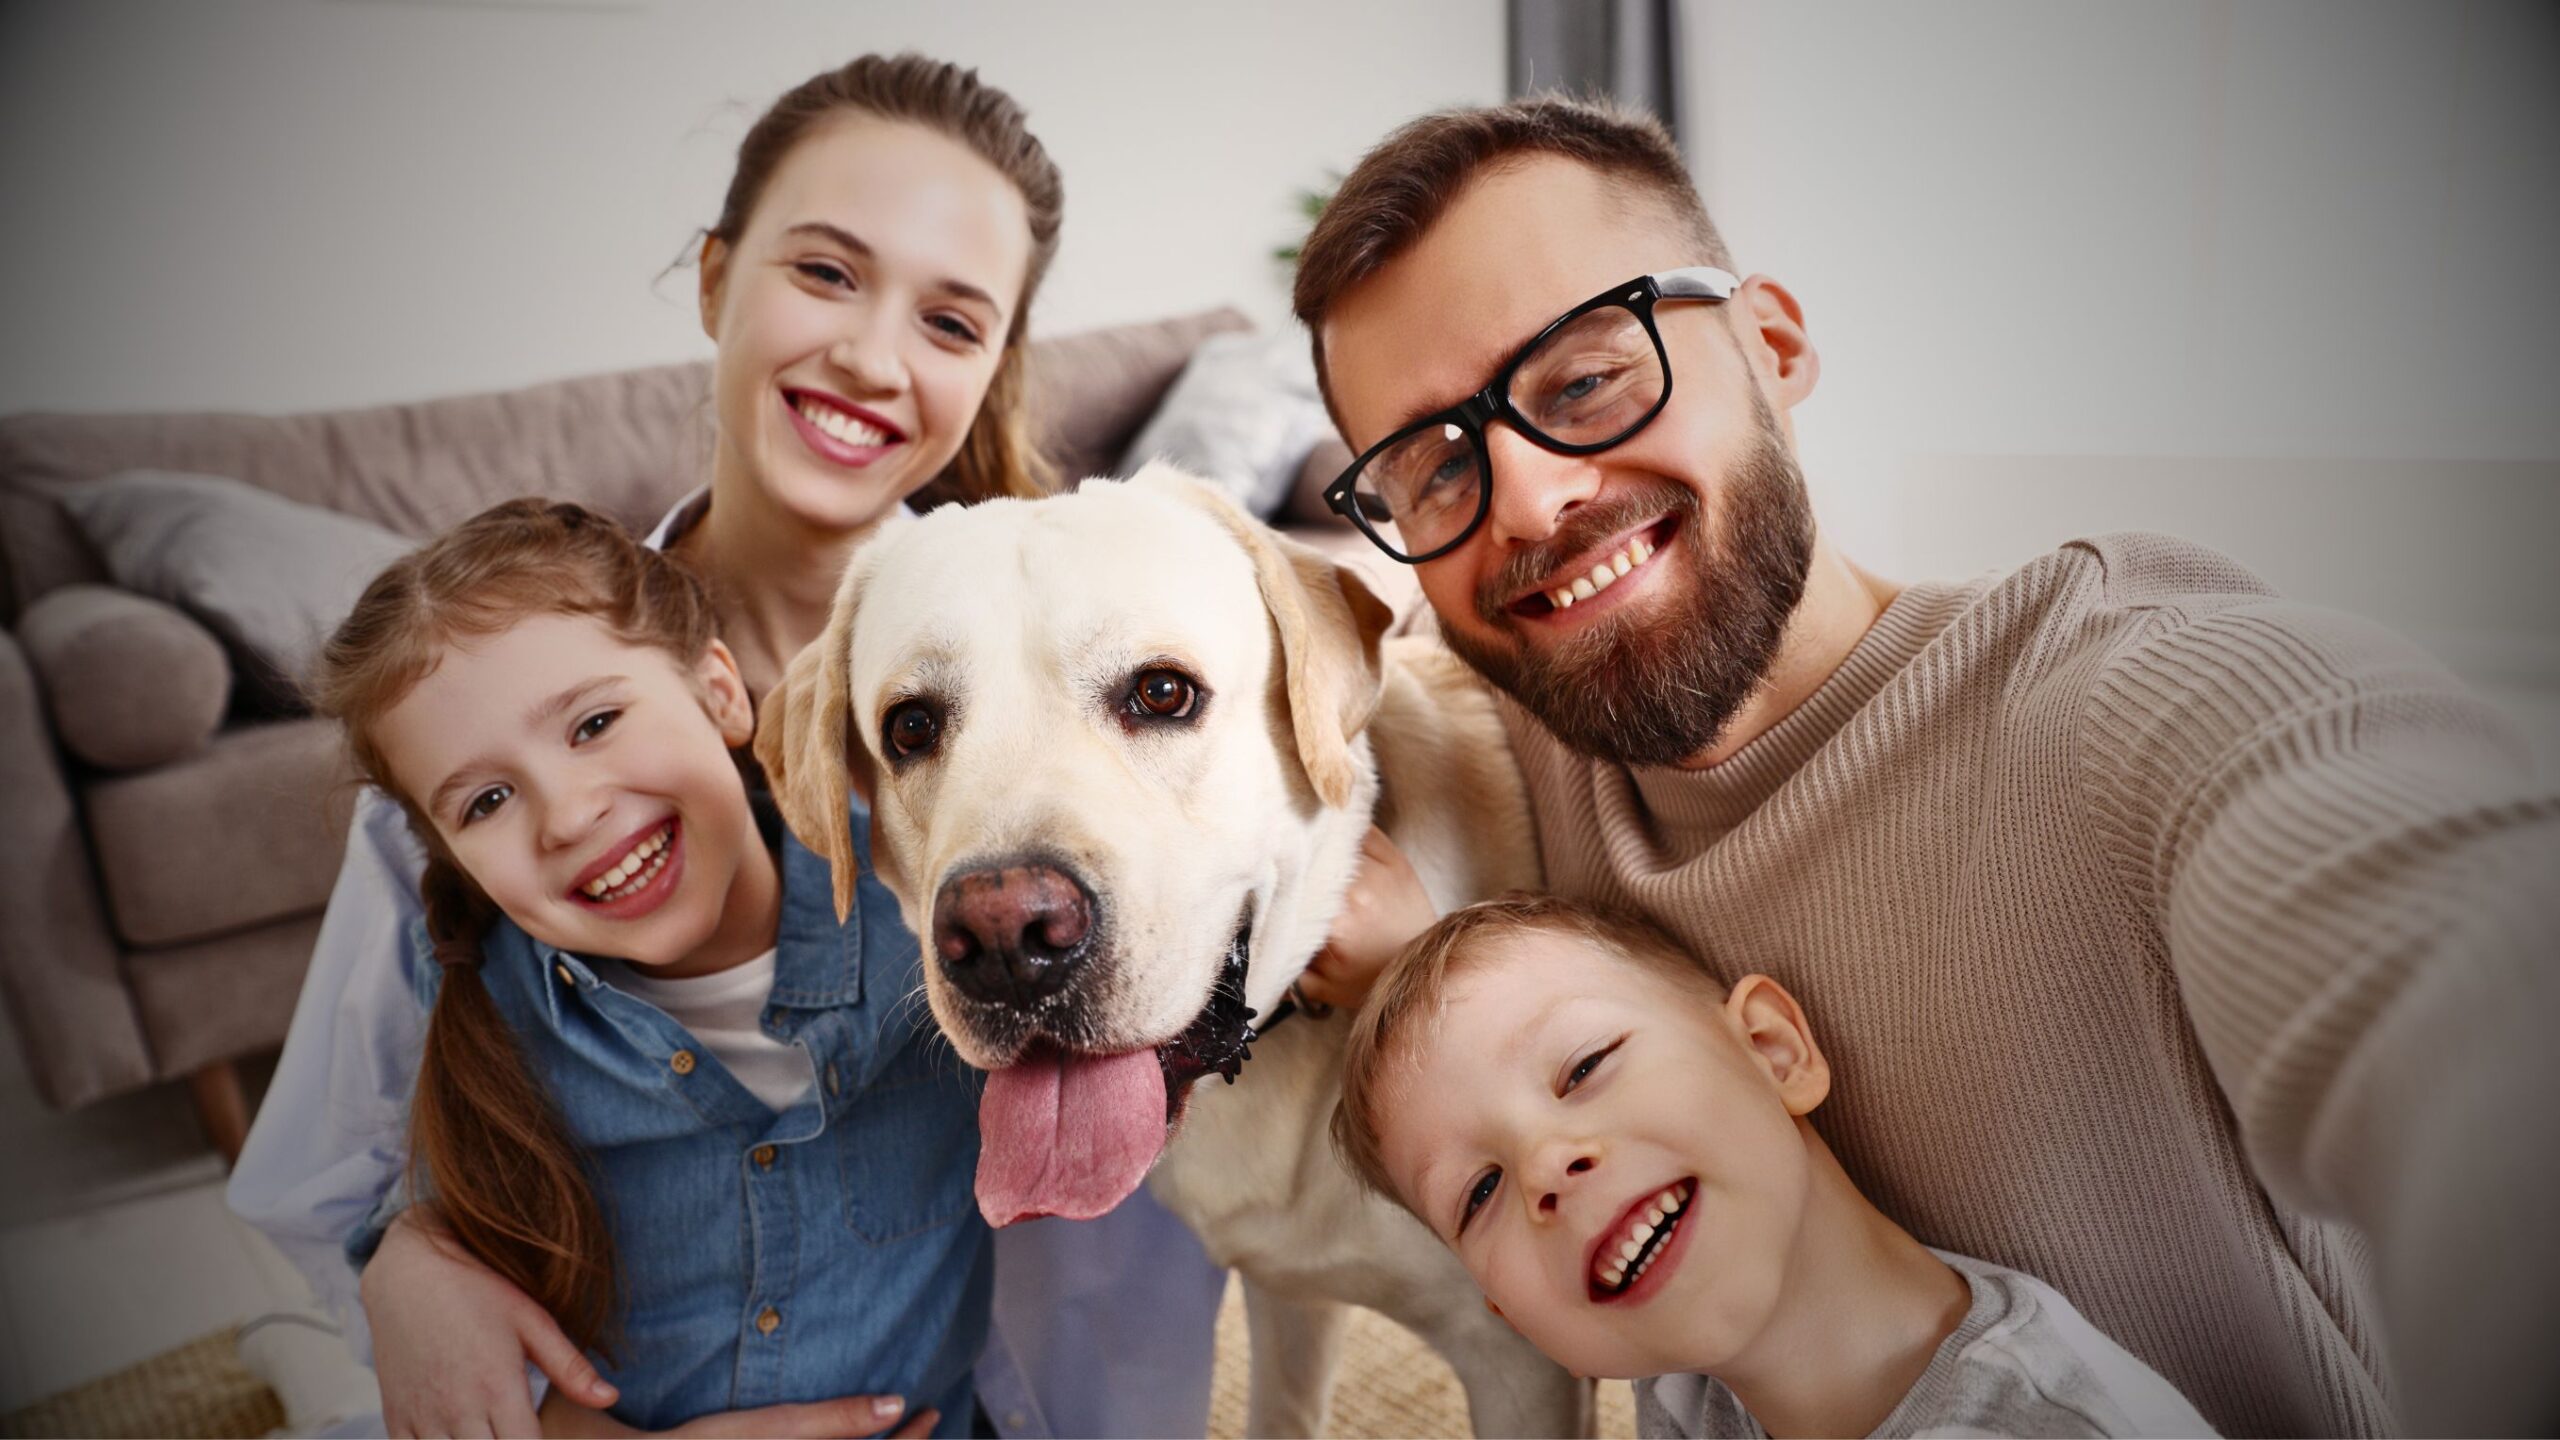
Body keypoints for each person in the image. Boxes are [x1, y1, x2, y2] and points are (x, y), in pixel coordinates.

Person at [1291, 96, 2560, 1435]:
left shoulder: (2149, 702)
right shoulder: (1514, 761)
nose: (1535, 503)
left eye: (1588, 382)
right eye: (1436, 470)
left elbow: (2479, 1001)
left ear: (1772, 344)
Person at [229, 54, 1227, 1439]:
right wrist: (412, 1264)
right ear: (714, 280)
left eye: (951, 320)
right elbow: (323, 1192)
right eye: (825, 273)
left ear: (993, 366)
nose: (874, 357)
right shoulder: (485, 729)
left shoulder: (1102, 704)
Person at [309, 499, 984, 1436]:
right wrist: (407, 1253)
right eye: (488, 799)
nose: (568, 814)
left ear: (719, 691)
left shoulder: (921, 902)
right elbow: (442, 1251)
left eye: (593, 724)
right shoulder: (489, 1006)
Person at [1332, 894, 2216, 1439]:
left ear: (1771, 1049)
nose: (1543, 1172)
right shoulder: (1681, 1392)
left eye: (1585, 1067)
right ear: (1513, 1316)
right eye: (1478, 1193)